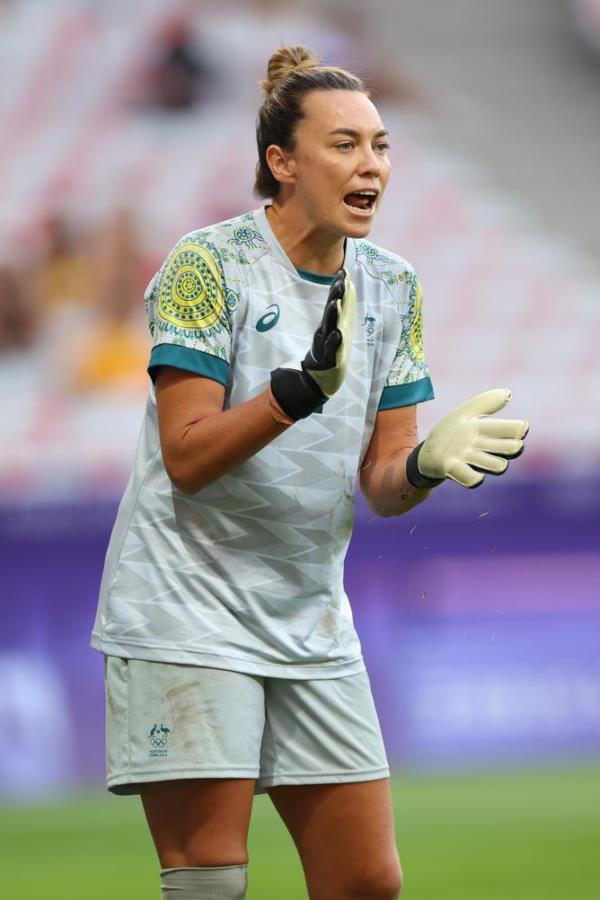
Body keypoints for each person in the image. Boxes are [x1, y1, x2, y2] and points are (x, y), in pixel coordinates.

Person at [91, 45, 529, 900]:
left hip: (309, 617)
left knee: (367, 881)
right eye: (345, 145)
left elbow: (382, 482)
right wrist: (292, 396)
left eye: (381, 145)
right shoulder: (206, 265)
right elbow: (185, 459)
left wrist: (427, 464)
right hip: (188, 607)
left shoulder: (393, 285)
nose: (371, 165)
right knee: (211, 882)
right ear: (281, 163)